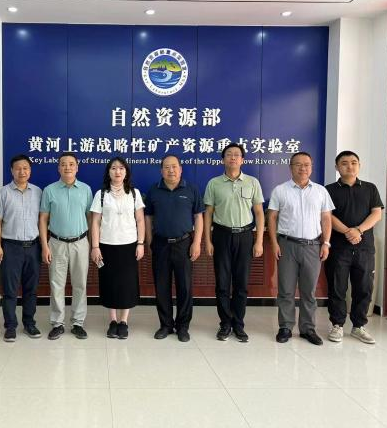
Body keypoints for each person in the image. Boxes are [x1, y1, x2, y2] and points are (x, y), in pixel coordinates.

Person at [267, 151, 334, 346]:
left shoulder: (321, 191)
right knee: (286, 290)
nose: (302, 168)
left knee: (309, 291)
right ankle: (285, 327)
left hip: (313, 246)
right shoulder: (280, 190)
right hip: (287, 245)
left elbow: (326, 218)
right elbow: (272, 217)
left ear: (311, 167)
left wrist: (326, 243)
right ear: (290, 167)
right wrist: (274, 243)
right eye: (298, 164)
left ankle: (308, 329)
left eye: (306, 164)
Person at [203, 143, 264, 342]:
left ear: (242, 160)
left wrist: (259, 241)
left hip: (245, 237)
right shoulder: (214, 183)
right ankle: (225, 324)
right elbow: (208, 214)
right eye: (229, 154)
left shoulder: (252, 182)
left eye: (237, 155)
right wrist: (207, 240)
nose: (233, 157)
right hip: (221, 235)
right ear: (223, 159)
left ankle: (238, 324)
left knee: (241, 284)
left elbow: (259, 213)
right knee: (222, 283)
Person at [325, 151, 383, 344]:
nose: (349, 166)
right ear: (336, 167)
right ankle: (337, 325)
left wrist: (358, 230)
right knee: (337, 287)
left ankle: (359, 326)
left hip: (364, 248)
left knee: (364, 288)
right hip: (338, 248)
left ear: (359, 165)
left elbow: (376, 214)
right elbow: (327, 216)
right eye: (344, 163)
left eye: (353, 162)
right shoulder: (328, 190)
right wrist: (347, 232)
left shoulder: (370, 188)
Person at [144, 155, 204, 342]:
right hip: (160, 243)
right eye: (167, 167)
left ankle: (183, 326)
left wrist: (197, 243)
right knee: (161, 286)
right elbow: (148, 217)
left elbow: (199, 217)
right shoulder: (154, 190)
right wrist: (149, 241)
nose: (171, 170)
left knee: (184, 287)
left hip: (184, 243)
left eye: (174, 166)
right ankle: (166, 325)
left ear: (180, 169)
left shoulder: (191, 189)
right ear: (161, 170)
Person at [39, 153, 93, 340]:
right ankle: (57, 323)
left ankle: (78, 323)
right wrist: (45, 246)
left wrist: (92, 244)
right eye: (63, 164)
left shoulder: (86, 189)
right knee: (56, 284)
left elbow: (90, 218)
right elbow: (43, 219)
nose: (67, 167)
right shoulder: (49, 190)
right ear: (58, 168)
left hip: (80, 243)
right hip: (56, 243)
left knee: (80, 284)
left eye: (71, 164)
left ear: (77, 167)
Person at [90, 157, 145, 339]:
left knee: (127, 283)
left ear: (126, 172)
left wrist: (141, 243)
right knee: (110, 282)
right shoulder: (101, 194)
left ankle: (124, 321)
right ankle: (113, 320)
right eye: (113, 168)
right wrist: (95, 246)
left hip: (129, 245)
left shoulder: (134, 193)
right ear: (108, 172)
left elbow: (140, 220)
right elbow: (95, 222)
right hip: (106, 245)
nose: (117, 171)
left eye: (121, 168)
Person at [0, 154, 43, 342]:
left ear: (30, 170)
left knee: (31, 289)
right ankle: (10, 326)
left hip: (33, 247)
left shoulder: (38, 192)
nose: (22, 171)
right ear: (11, 171)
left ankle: (29, 323)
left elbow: (43, 220)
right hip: (11, 247)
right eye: (18, 168)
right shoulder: (3, 193)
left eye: (25, 168)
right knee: (10, 290)